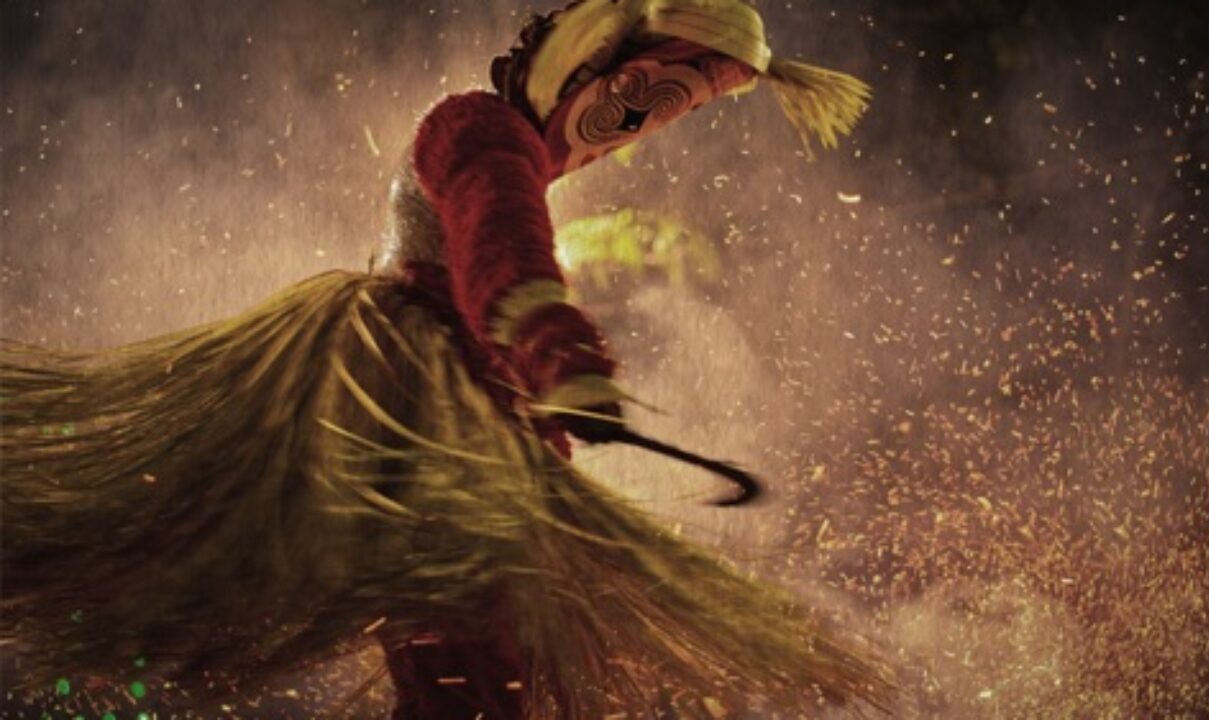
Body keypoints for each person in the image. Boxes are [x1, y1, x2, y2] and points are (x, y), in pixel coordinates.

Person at [1, 1, 887, 717]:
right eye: (644, 101)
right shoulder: (478, 129)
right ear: (590, 65)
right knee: (476, 656)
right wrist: (563, 363)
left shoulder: (508, 144)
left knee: (480, 657)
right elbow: (502, 249)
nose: (633, 133)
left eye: (666, 120)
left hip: (454, 423)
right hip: (429, 427)